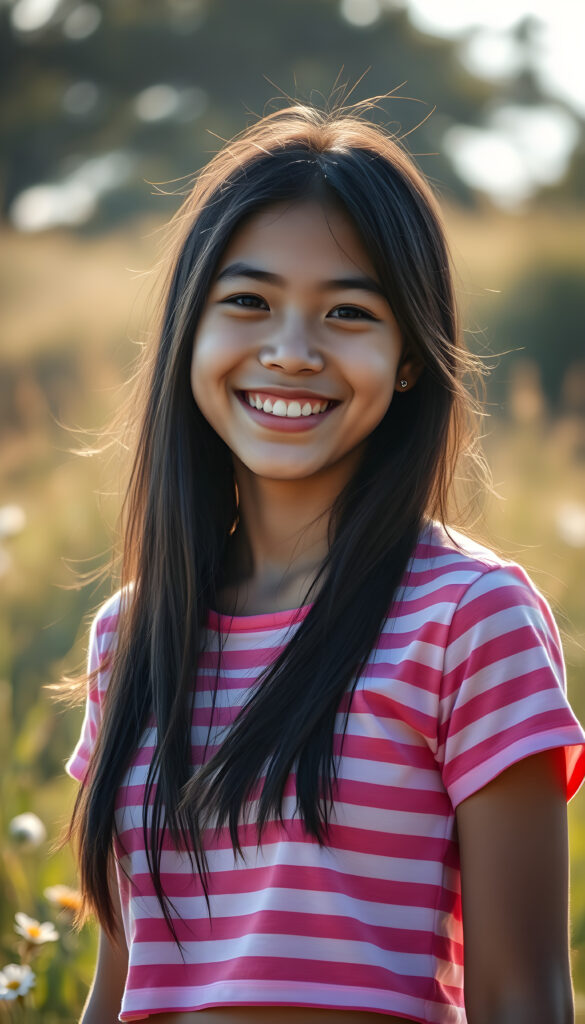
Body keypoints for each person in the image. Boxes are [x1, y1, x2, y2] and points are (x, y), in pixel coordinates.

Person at [64, 102, 585, 1024]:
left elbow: (523, 996)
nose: (292, 353)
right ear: (190, 330)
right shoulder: (129, 634)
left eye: (348, 313)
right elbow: (121, 986)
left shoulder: (470, 619)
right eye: (248, 302)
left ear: (409, 357)